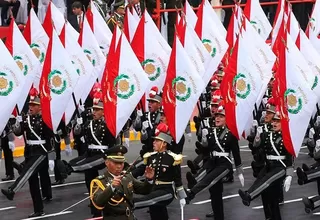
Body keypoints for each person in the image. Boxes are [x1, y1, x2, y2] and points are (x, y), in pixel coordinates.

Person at [1, 88, 55, 218]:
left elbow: (51, 139)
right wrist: (17, 122)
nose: (30, 107)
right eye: (30, 105)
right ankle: (38, 209)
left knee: (28, 171)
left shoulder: (46, 120)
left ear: (40, 107)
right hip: (30, 152)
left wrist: (52, 157)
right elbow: (18, 132)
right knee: (32, 182)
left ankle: (12, 190)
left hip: (41, 152)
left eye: (34, 105)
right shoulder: (27, 119)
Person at [64, 90, 117, 217]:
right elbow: (82, 138)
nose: (94, 112)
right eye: (94, 109)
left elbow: (112, 143)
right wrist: (79, 127)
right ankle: (95, 207)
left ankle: (68, 169)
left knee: (97, 174)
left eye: (97, 109)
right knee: (90, 181)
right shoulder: (88, 124)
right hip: (91, 153)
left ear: (103, 111)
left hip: (103, 155)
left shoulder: (108, 124)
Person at [186, 104, 244, 220]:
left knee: (209, 179)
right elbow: (206, 150)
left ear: (226, 119)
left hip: (224, 164)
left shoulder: (231, 134)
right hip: (213, 161)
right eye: (216, 116)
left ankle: (191, 194)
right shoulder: (211, 132)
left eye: (221, 116)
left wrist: (239, 172)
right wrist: (204, 140)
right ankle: (218, 217)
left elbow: (236, 153)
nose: (217, 118)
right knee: (215, 193)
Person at [239, 109, 294, 220]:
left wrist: (289, 175)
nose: (273, 124)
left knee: (267, 180)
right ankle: (270, 217)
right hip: (268, 165)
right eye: (273, 121)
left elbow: (289, 157)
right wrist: (258, 136)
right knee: (262, 186)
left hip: (280, 167)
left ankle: (249, 195)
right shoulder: (266, 135)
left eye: (277, 122)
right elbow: (256, 146)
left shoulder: (287, 137)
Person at [133, 123, 187, 220]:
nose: (154, 142)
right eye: (154, 140)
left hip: (166, 191)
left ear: (164, 143)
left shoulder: (173, 158)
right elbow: (146, 173)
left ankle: (130, 203)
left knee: (149, 200)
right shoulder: (150, 157)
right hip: (154, 189)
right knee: (156, 213)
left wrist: (182, 196)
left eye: (157, 141)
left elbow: (177, 178)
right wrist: (149, 179)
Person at [90, 145, 154, 220]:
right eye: (116, 163)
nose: (119, 166)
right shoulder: (99, 182)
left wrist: (149, 180)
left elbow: (144, 190)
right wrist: (111, 187)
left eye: (121, 163)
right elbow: (98, 203)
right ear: (107, 163)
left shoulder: (127, 177)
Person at [131, 86, 162, 178]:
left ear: (159, 104)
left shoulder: (162, 116)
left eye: (152, 102)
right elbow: (137, 128)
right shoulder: (145, 115)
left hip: (158, 150)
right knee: (134, 167)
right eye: (149, 102)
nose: (149, 104)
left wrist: (147, 132)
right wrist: (137, 117)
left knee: (140, 168)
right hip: (147, 149)